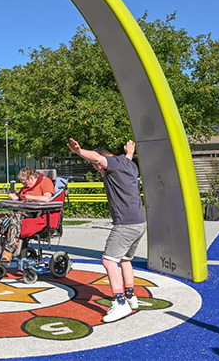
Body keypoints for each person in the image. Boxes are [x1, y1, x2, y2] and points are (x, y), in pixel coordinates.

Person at [67, 138, 147, 323]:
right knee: (125, 259)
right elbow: (126, 157)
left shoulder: (113, 164)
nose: (97, 169)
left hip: (125, 223)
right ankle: (130, 296)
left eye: (96, 166)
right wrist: (130, 151)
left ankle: (120, 303)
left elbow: (97, 158)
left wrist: (79, 151)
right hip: (139, 221)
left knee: (109, 260)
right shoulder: (129, 164)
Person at [0, 167, 55, 263]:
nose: (24, 185)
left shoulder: (45, 182)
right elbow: (21, 197)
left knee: (15, 218)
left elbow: (47, 198)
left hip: (34, 213)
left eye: (24, 182)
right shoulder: (27, 187)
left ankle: (8, 251)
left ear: (31, 178)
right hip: (20, 210)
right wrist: (15, 197)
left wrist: (30, 197)